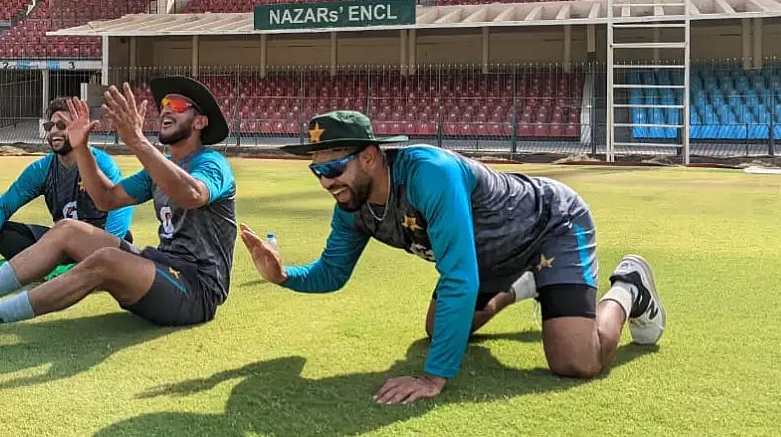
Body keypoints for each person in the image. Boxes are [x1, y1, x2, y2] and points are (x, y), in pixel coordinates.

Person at [240, 110, 666, 405]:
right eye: (316, 171)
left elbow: (459, 279)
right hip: (486, 256)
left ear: (369, 157)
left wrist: (432, 378)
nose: (325, 182)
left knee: (576, 361)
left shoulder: (430, 173)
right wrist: (282, 276)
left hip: (549, 225)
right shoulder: (353, 206)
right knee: (436, 327)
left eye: (332, 169)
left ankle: (629, 287)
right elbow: (332, 273)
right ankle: (529, 285)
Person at [0, 76, 238, 346]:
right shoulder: (158, 168)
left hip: (197, 289)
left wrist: (136, 142)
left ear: (200, 122)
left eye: (178, 105)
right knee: (66, 229)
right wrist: (82, 149)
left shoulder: (212, 164)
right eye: (164, 104)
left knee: (107, 260)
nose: (167, 110)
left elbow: (193, 194)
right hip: (163, 268)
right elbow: (106, 198)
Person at [0, 97, 136, 284]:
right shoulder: (41, 169)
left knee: (124, 240)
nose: (53, 131)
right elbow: (2, 207)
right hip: (61, 243)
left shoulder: (102, 163)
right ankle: (50, 267)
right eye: (49, 126)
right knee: (0, 231)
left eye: (61, 125)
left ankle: (36, 267)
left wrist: (104, 253)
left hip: (97, 242)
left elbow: (121, 210)